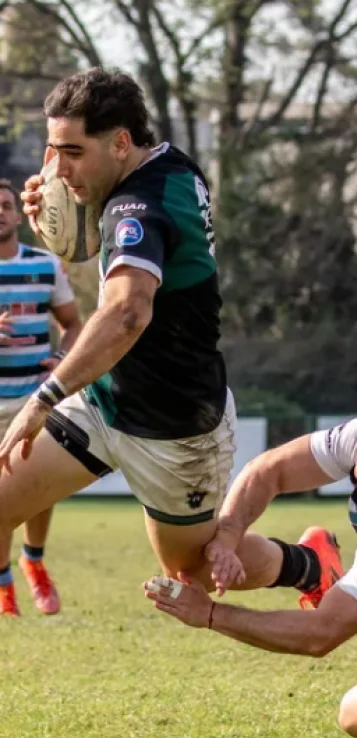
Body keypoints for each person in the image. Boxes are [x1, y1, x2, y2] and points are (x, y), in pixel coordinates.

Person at [1, 66, 301, 605]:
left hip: (174, 426)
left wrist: (44, 398)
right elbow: (110, 238)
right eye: (52, 149)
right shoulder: (161, 166)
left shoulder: (143, 205)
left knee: (194, 572)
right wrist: (64, 213)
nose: (56, 166)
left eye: (72, 151)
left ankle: (305, 563)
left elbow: (127, 314)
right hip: (103, 400)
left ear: (119, 142)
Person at [145, 387, 357, 738]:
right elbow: (271, 470)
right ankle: (311, 566)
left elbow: (319, 634)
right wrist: (227, 537)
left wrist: (212, 614)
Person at [0, 179, 81, 616]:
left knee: (38, 491)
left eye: (6, 205)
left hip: (34, 401)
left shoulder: (45, 264)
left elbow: (73, 323)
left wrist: (63, 357)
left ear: (18, 214)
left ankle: (34, 563)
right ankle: (5, 590)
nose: (0, 211)